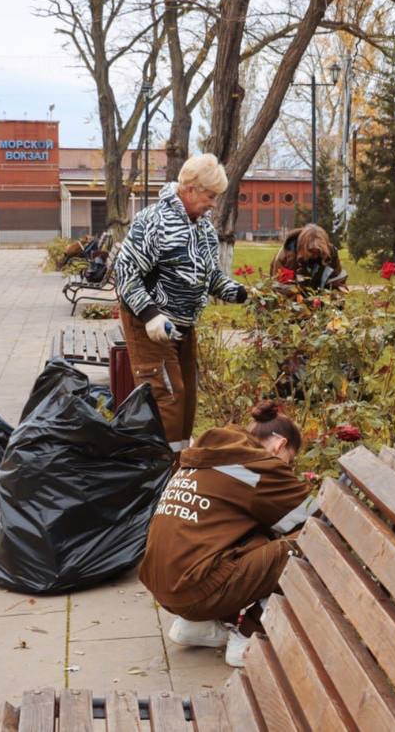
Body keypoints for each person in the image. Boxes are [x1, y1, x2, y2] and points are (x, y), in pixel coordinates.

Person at [139, 401, 319, 667]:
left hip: (163, 586)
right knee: (305, 546)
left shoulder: (210, 453)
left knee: (250, 538)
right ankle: (247, 637)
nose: (287, 469)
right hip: (195, 589)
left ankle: (195, 626)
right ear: (280, 445)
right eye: (289, 460)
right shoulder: (257, 468)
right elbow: (317, 519)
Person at [113, 154, 249, 451]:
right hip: (149, 323)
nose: (214, 203)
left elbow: (210, 276)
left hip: (182, 326)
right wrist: (150, 315)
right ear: (190, 190)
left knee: (186, 401)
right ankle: (162, 475)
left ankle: (180, 466)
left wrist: (238, 292)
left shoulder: (203, 228)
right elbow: (125, 274)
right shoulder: (154, 221)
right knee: (168, 399)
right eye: (210, 196)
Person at [269, 223, 348, 292]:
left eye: (318, 252)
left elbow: (338, 281)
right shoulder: (287, 257)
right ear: (302, 247)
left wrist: (336, 299)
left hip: (320, 298)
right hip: (294, 298)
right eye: (311, 251)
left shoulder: (330, 254)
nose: (315, 255)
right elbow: (281, 288)